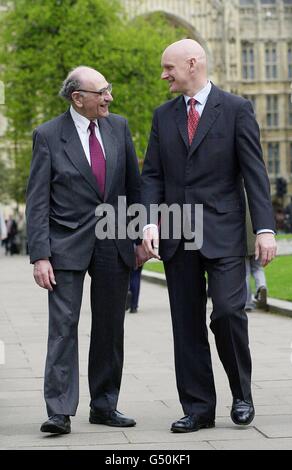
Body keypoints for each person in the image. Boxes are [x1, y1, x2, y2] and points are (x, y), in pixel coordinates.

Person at [142, 39, 277, 433]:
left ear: (192, 62)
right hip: (176, 234)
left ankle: (242, 393)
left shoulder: (236, 109)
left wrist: (265, 229)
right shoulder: (162, 116)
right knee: (186, 324)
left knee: (228, 313)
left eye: (169, 67)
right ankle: (198, 409)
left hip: (224, 232)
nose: (164, 75)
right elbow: (152, 175)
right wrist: (149, 222)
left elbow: (255, 172)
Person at [26, 66, 147, 435]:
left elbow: (133, 188)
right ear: (78, 98)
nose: (109, 97)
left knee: (111, 326)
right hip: (65, 245)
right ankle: (59, 411)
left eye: (108, 89)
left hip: (114, 239)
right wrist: (40, 255)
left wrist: (139, 235)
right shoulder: (47, 135)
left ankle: (104, 404)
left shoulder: (119, 128)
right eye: (102, 92)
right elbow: (37, 201)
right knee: (63, 326)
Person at [245, 197, 268, 311]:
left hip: (244, 243)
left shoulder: (235, 195)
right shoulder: (256, 198)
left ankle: (247, 302)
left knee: (246, 272)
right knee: (258, 268)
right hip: (258, 241)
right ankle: (261, 286)